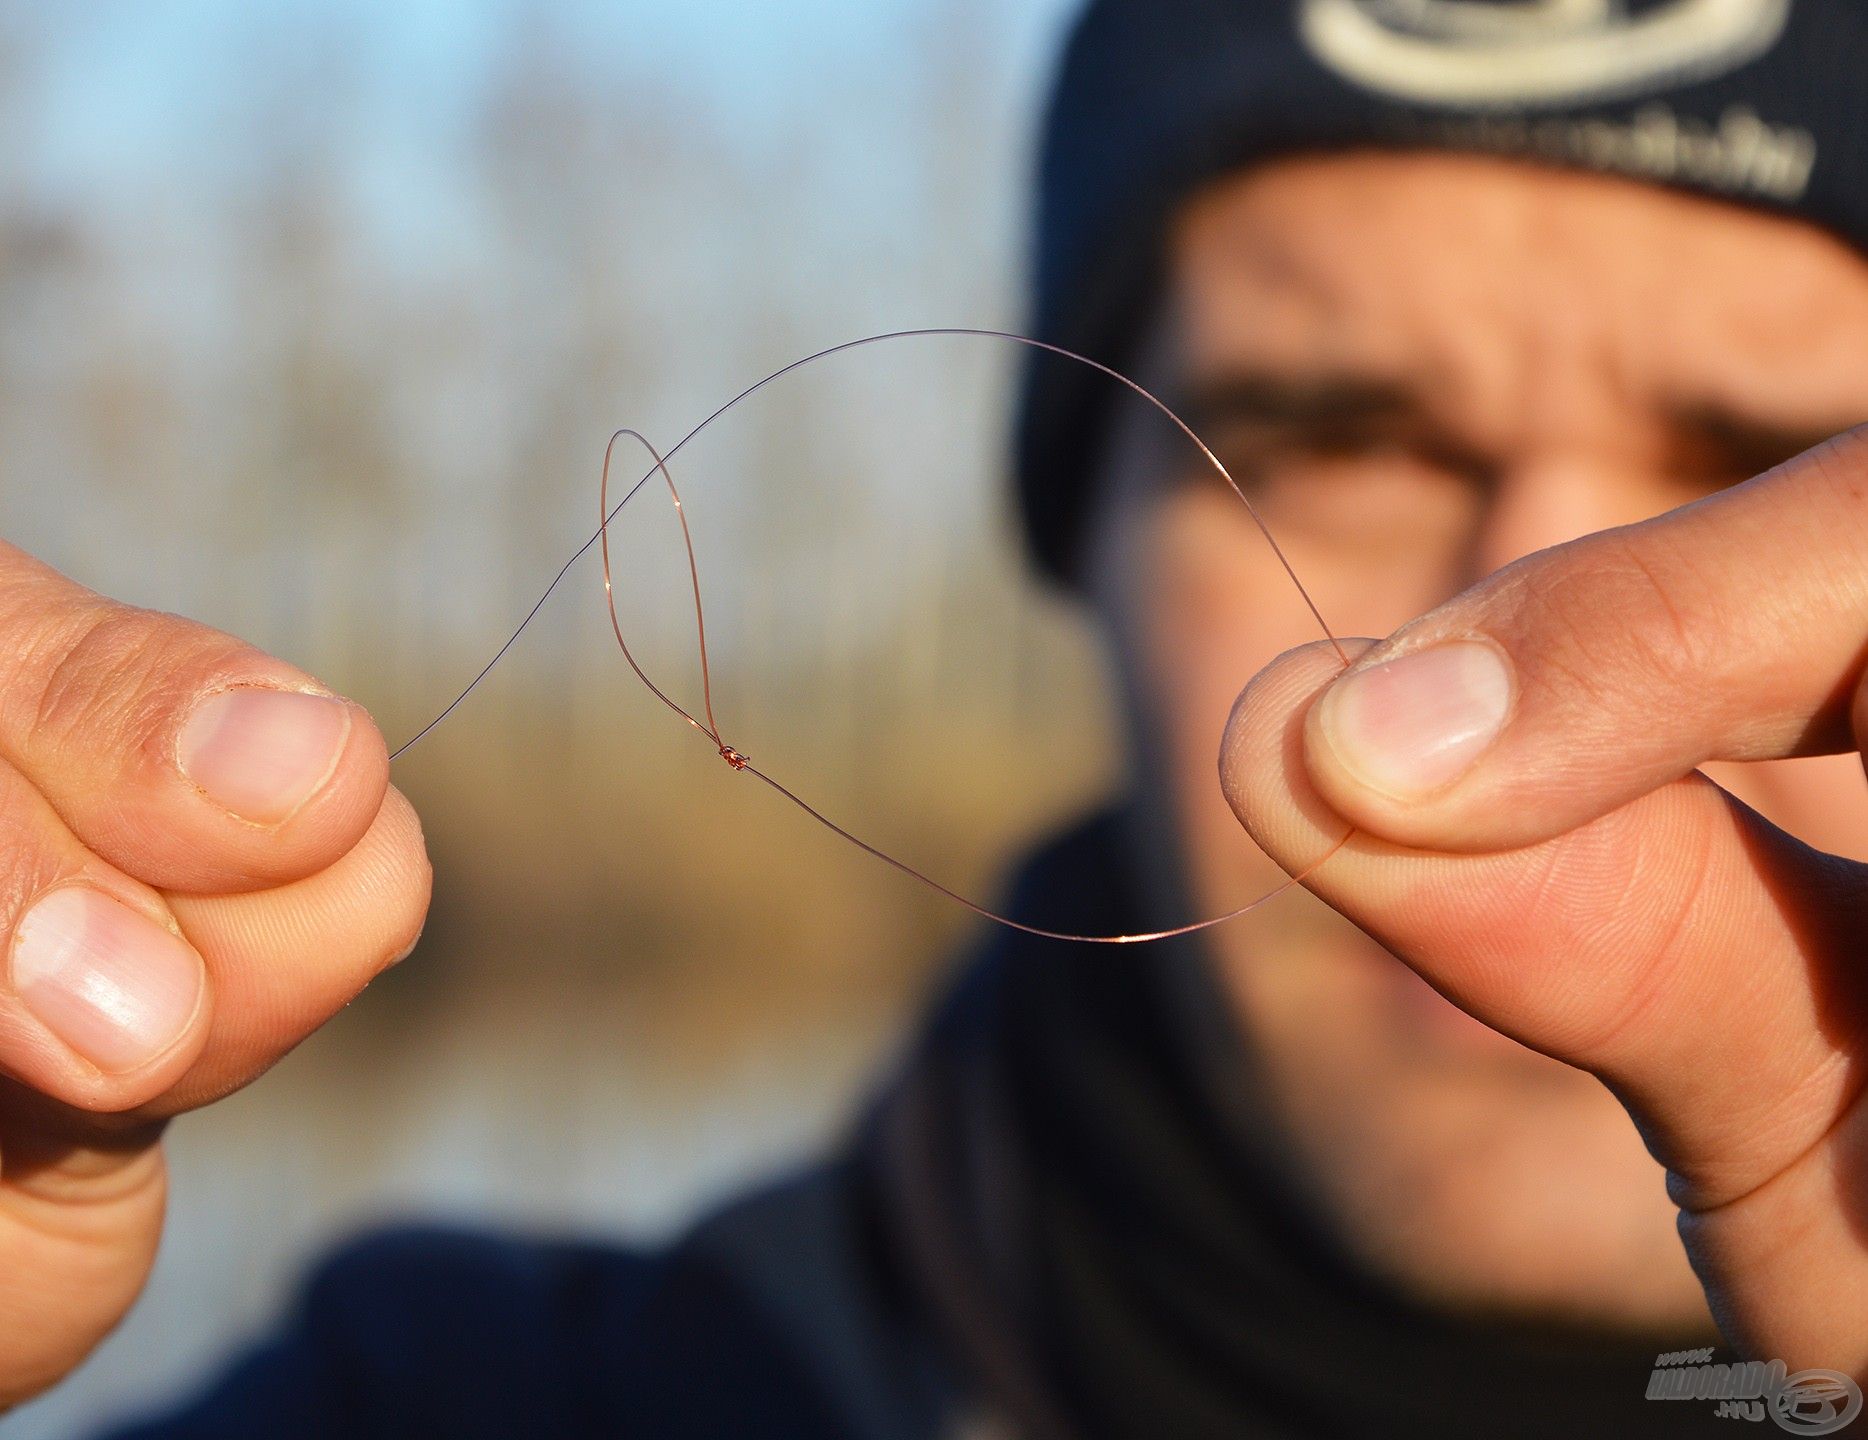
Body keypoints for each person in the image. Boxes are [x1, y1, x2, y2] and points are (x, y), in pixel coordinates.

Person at [5, 1, 1868, 1435]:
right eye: (1347, 442)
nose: (1537, 656)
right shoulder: (461, 1399)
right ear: (1089, 548)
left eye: (1767, 464)